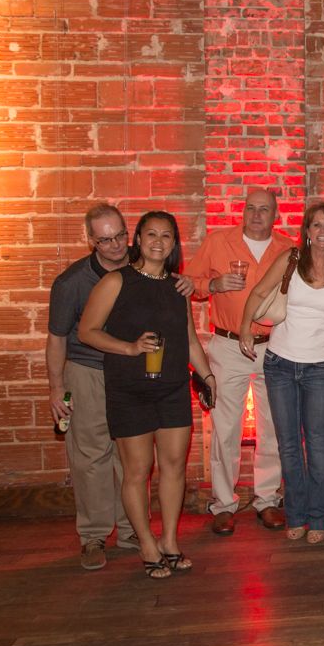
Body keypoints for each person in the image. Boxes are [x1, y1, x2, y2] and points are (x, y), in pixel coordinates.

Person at [77, 211, 215, 579]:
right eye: (150, 234)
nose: (158, 242)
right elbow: (87, 331)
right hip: (130, 390)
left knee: (173, 467)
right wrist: (130, 348)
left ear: (174, 243)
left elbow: (189, 340)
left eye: (166, 236)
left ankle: (169, 540)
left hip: (172, 388)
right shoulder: (116, 281)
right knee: (137, 471)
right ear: (137, 239)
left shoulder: (178, 288)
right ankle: (147, 544)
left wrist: (207, 375)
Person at [239, 201, 324, 543]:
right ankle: (297, 515)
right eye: (316, 225)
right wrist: (245, 328)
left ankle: (318, 518)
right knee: (288, 444)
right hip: (280, 364)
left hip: (321, 366)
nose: (322, 231)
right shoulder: (291, 258)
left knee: (318, 444)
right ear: (307, 231)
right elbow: (259, 292)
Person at [183, 188, 294, 536]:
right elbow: (189, 283)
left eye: (264, 209)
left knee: (272, 425)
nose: (257, 215)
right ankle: (223, 504)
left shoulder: (288, 248)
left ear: (275, 214)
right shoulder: (219, 242)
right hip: (228, 344)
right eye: (251, 208)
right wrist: (214, 284)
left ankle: (267, 499)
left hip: (273, 344)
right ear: (243, 212)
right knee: (225, 428)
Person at [48, 204, 142, 570]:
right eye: (106, 240)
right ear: (90, 240)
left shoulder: (142, 268)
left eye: (120, 235)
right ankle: (93, 536)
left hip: (131, 370)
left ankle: (132, 529)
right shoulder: (71, 282)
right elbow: (57, 338)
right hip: (88, 370)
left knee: (132, 455)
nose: (116, 245)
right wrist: (56, 388)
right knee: (90, 455)